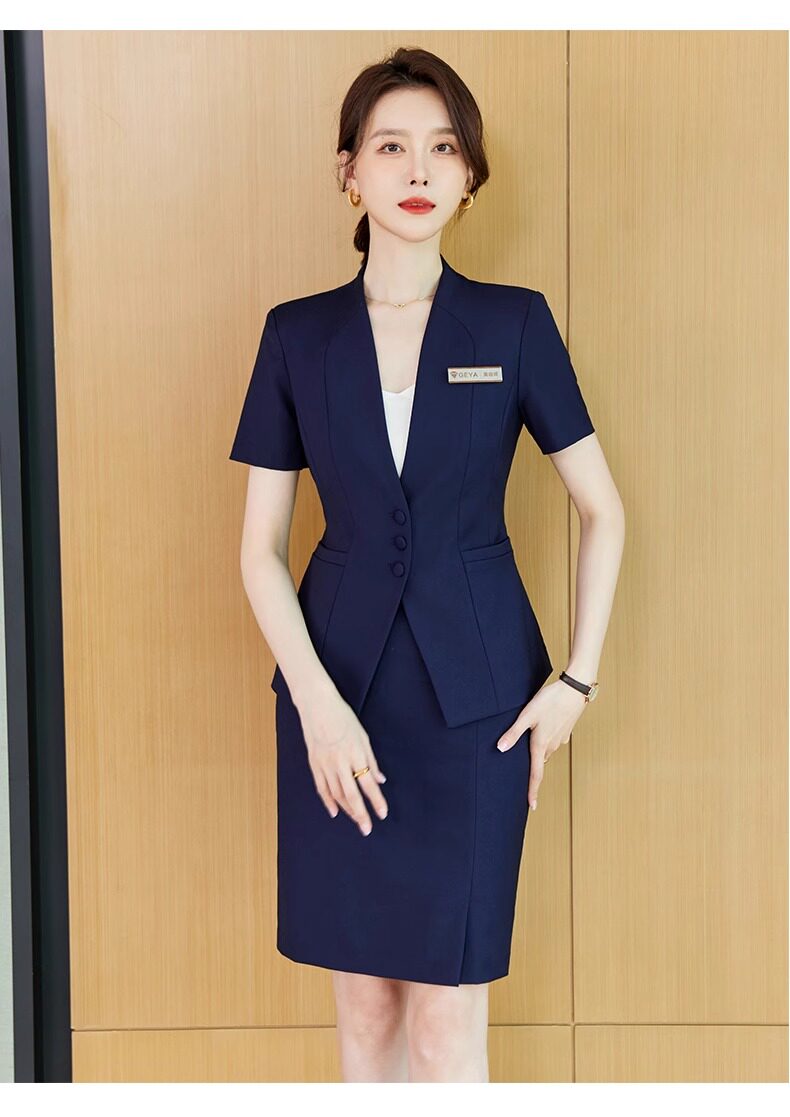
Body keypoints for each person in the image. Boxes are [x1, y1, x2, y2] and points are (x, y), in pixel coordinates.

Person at [229, 46, 625, 1084]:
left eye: (443, 148)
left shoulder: (513, 322)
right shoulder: (297, 337)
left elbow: (603, 510)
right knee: (363, 1011)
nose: (418, 170)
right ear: (349, 172)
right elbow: (259, 550)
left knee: (449, 1019)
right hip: (336, 702)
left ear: (470, 175)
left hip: (477, 709)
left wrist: (576, 682)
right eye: (391, 146)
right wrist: (316, 706)